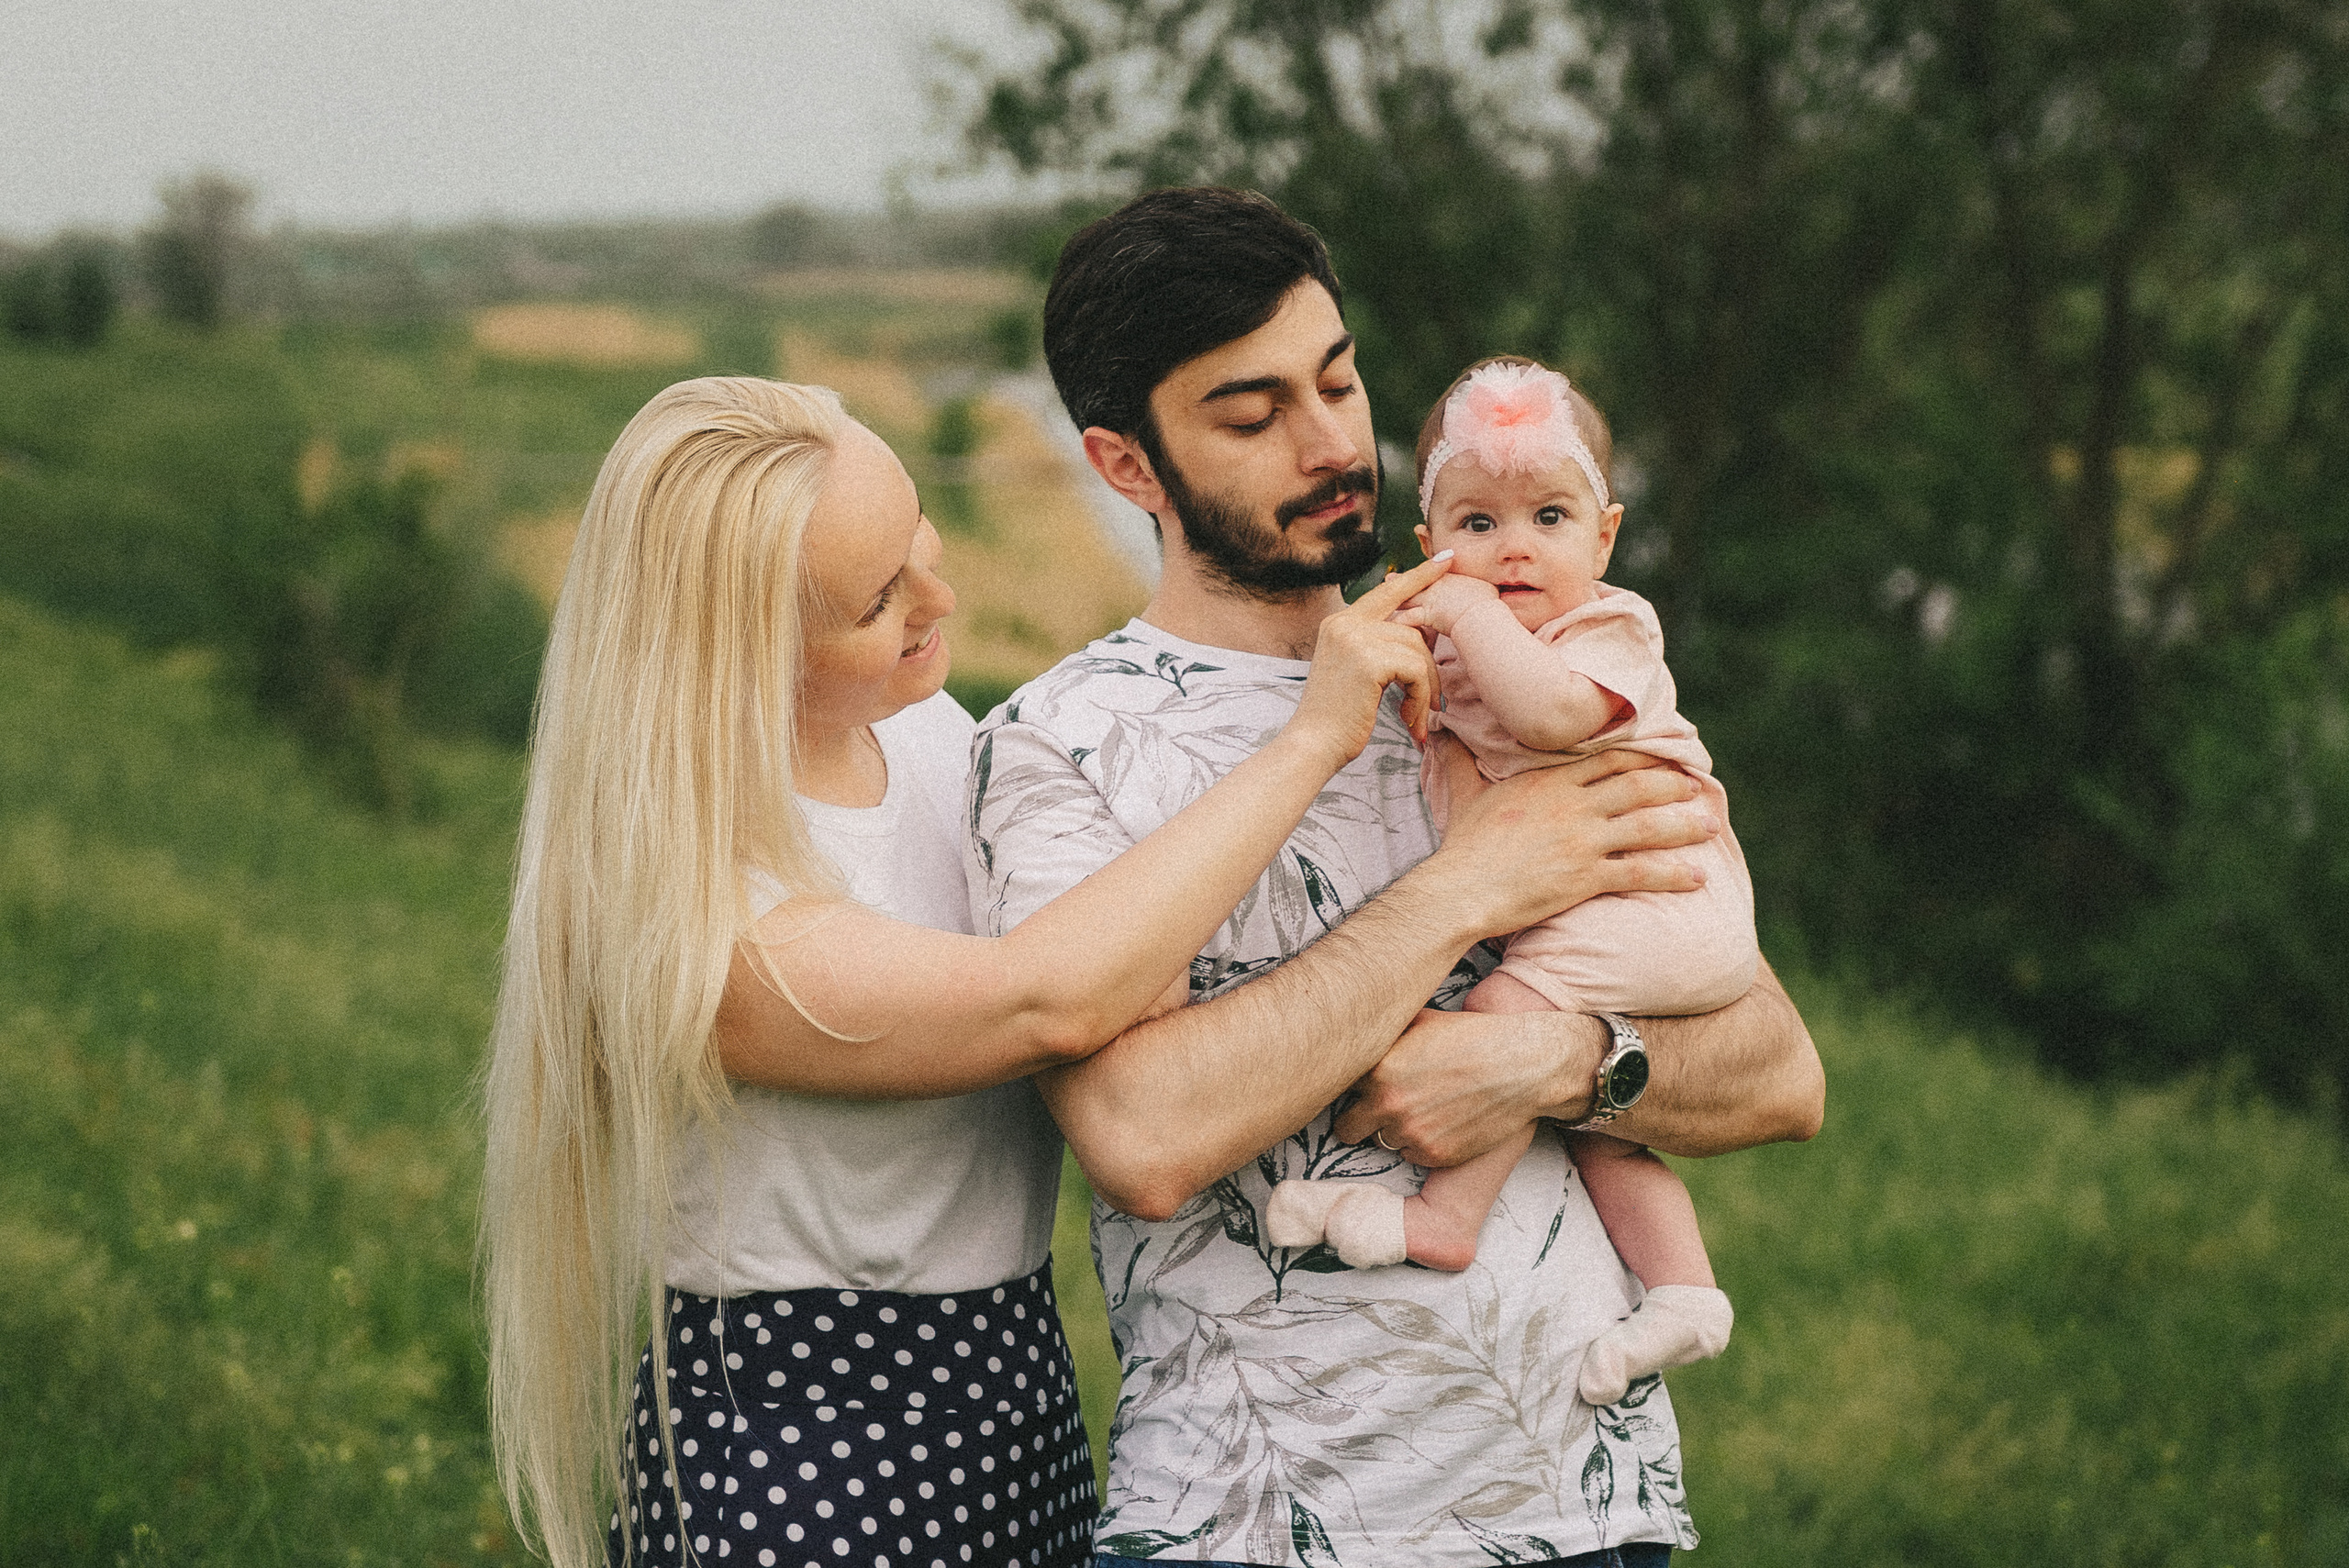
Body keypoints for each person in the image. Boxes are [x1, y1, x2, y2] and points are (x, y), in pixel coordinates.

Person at [476, 375, 1632, 1568]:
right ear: (737, 654)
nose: (939, 596)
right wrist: (1315, 740)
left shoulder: (921, 733)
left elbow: (1124, 960)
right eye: (878, 600)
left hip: (1011, 1390)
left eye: (919, 535)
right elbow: (1054, 996)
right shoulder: (706, 915)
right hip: (805, 1442)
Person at [967, 187, 1824, 1568]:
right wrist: (1462, 890)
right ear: (1127, 465)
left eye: (1338, 379)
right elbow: (1141, 1136)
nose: (1330, 442)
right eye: (1251, 416)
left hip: (1590, 1514)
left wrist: (1556, 1061)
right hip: (1254, 1528)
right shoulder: (1057, 744)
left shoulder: (1519, 673)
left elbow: (1779, 1070)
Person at [1263, 355, 1746, 1407]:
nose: (1514, 545)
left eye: (1549, 516)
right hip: (1613, 906)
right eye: (1477, 523)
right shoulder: (1465, 645)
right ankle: (1683, 1288)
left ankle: (1442, 1218)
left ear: (1603, 538)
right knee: (1590, 1118)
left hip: (1664, 893)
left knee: (1499, 1018)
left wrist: (1466, 614)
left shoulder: (1606, 628)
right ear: (1429, 541)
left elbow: (1550, 716)